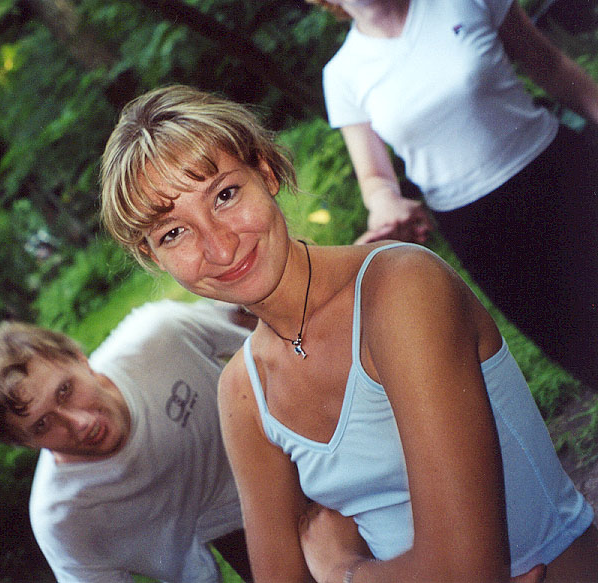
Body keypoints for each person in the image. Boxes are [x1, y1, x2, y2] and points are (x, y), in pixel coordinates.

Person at [99, 84, 598, 583]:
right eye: (174, 233)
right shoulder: (244, 392)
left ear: (266, 172)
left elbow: (467, 572)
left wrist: (341, 568)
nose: (221, 246)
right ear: (153, 257)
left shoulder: (400, 289)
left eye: (225, 195)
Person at [308, 0, 598, 389]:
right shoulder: (342, 74)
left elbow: (551, 66)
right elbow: (375, 178)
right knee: (575, 342)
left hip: (559, 174)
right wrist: (385, 204)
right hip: (477, 229)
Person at [0, 299, 255, 583]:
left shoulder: (159, 334)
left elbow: (261, 324)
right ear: (26, 443)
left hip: (274, 455)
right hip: (229, 532)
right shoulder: (63, 517)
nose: (80, 423)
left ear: (80, 359)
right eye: (42, 425)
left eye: (65, 390)